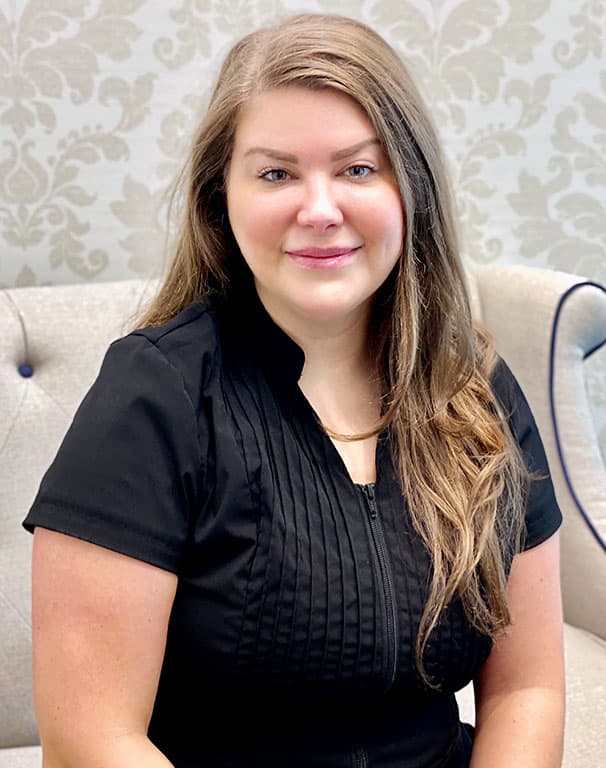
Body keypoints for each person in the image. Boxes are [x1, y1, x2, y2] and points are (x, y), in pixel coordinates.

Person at [24, 13, 565, 768]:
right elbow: (90, 739)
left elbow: (526, 690)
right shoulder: (155, 398)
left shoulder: (477, 389)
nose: (319, 209)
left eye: (358, 169)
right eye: (276, 173)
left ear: (411, 189)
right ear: (223, 197)